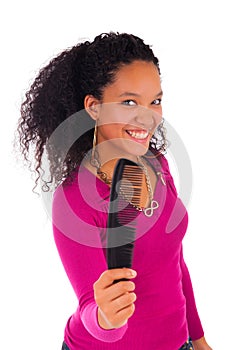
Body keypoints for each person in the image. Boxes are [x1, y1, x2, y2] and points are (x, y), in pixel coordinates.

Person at [17, 32, 212, 350]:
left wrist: (198, 339)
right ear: (94, 107)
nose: (148, 116)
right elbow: (90, 312)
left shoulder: (158, 165)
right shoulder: (74, 200)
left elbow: (175, 262)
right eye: (129, 102)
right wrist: (106, 318)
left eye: (155, 101)